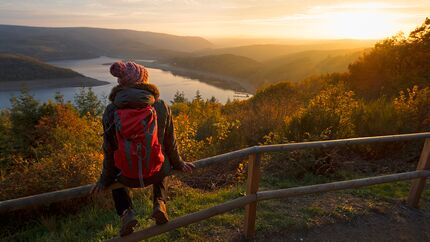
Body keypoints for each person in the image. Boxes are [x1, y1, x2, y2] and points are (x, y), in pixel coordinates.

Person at [91, 61, 195, 236]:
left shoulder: (111, 110)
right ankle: (159, 202)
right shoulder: (160, 106)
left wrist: (104, 180)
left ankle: (126, 212)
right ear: (144, 81)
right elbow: (170, 142)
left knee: (117, 162)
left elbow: (109, 150)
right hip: (156, 172)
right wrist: (178, 163)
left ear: (121, 82)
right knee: (162, 154)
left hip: (125, 177)